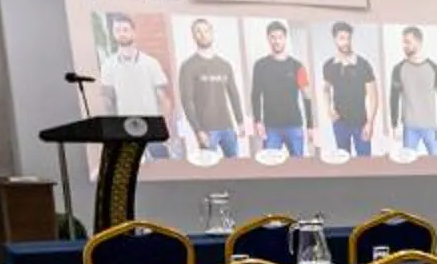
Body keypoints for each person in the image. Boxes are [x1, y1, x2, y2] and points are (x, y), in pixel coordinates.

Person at [96, 11, 175, 158]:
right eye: (117, 30)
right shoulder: (107, 66)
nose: (122, 33)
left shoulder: (151, 63)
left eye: (125, 30)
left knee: (162, 166)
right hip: (126, 130)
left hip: (151, 129)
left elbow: (164, 99)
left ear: (133, 32)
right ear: (113, 34)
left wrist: (165, 126)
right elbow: (108, 102)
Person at [174, 17, 245, 162]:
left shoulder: (224, 65)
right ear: (193, 36)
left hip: (228, 127)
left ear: (212, 33)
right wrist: (198, 130)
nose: (203, 35)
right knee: (209, 168)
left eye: (206, 31)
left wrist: (240, 121)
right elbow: (187, 101)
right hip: (206, 130)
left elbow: (234, 95)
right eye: (198, 32)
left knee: (234, 168)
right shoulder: (188, 66)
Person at [248, 21, 313, 157]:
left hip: (294, 126)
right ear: (268, 39)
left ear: (285, 38)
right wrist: (258, 122)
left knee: (298, 166)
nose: (276, 41)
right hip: (271, 127)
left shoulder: (297, 66)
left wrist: (310, 126)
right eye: (273, 37)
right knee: (270, 165)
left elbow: (307, 97)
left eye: (280, 37)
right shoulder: (260, 66)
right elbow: (255, 95)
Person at [387, 26, 437, 157]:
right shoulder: (398, 69)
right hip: (409, 128)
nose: (404, 46)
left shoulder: (435, 69)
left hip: (430, 127)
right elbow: (394, 98)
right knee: (408, 164)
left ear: (419, 42)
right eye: (403, 42)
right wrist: (394, 125)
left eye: (407, 42)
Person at [320, 20, 379, 158]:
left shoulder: (363, 64)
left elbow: (373, 96)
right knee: (343, 160)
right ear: (335, 39)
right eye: (342, 38)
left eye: (348, 38)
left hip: (361, 122)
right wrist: (328, 108)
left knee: (365, 162)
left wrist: (370, 123)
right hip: (339, 123)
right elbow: (326, 89)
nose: (346, 42)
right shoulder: (329, 65)